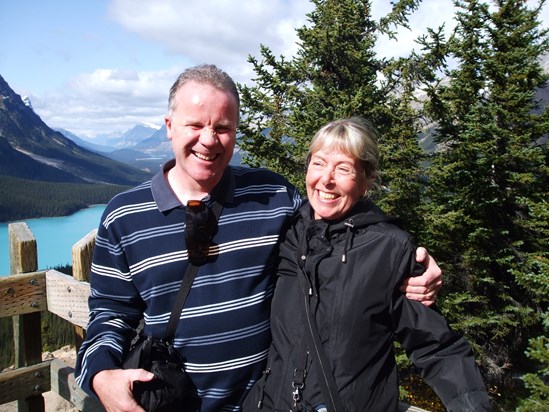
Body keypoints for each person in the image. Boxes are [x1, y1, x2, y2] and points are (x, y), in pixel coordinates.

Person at [75, 65, 442, 412]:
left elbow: (336, 229)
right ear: (170, 126)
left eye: (222, 127)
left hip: (263, 401)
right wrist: (100, 374)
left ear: (235, 131)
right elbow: (110, 314)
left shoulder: (273, 195)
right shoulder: (125, 216)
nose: (209, 140)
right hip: (170, 401)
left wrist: (408, 267)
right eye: (195, 125)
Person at [242, 117, 491, 412]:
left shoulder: (388, 249)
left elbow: (434, 344)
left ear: (367, 180)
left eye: (343, 169)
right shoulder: (286, 234)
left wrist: (470, 406)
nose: (326, 180)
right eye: (318, 163)